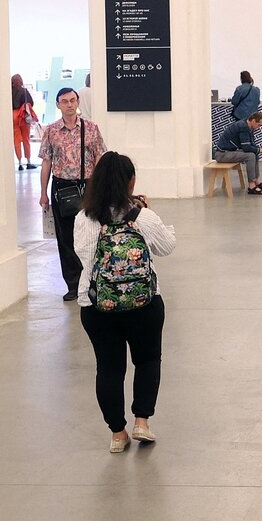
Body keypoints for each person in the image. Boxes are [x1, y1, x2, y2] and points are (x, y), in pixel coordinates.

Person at [73, 152, 176, 453]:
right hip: (144, 304)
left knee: (108, 368)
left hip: (97, 305)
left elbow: (84, 257)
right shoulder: (143, 217)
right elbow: (167, 247)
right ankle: (142, 421)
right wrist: (150, 214)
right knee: (147, 360)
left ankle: (118, 434)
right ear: (130, 182)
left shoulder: (83, 219)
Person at [39, 88, 109, 301]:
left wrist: (101, 187)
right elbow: (46, 162)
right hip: (62, 188)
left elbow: (100, 157)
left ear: (77, 102)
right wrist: (43, 193)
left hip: (88, 186)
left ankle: (94, 280)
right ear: (58, 105)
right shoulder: (51, 131)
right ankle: (73, 284)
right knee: (66, 237)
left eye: (72, 100)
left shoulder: (91, 128)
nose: (69, 104)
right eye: (65, 101)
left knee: (92, 232)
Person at [213, 111, 262, 194]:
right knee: (250, 156)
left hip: (230, 152)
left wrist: (260, 149)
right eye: (259, 125)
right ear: (253, 121)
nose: (259, 127)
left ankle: (256, 181)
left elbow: (252, 145)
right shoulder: (243, 127)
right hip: (222, 154)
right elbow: (246, 147)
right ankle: (251, 186)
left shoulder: (249, 126)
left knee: (255, 153)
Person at [11, 74, 36, 171]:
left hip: (13, 115)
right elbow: (31, 103)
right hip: (23, 115)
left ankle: (20, 163)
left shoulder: (9, 92)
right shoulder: (24, 91)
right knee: (26, 139)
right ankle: (28, 161)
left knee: (16, 139)